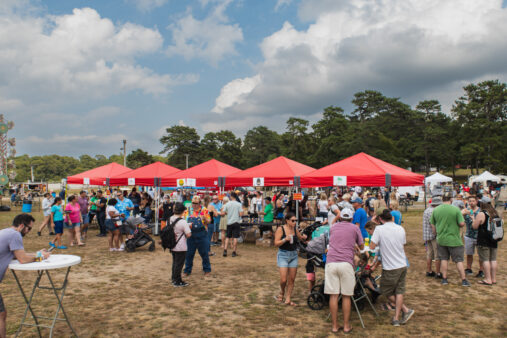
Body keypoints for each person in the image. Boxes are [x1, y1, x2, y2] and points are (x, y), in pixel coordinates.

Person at [0, 214, 51, 338]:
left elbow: (16, 255)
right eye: (29, 229)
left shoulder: (6, 232)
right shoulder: (15, 234)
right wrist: (41, 257)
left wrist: (38, 253)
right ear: (22, 225)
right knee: (1, 315)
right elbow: (22, 259)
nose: (28, 232)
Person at [370, 209, 414, 326]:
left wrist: (374, 223)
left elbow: (372, 246)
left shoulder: (379, 229)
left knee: (386, 291)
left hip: (390, 267)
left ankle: (405, 310)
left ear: (379, 219)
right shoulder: (400, 228)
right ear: (392, 218)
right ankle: (396, 318)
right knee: (399, 291)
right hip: (402, 264)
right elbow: (402, 243)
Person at [324, 208, 363, 333]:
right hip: (346, 263)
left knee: (333, 295)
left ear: (340, 218)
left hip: (331, 262)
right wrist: (355, 246)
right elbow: (361, 246)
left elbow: (334, 240)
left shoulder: (333, 227)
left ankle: (335, 326)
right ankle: (346, 325)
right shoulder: (355, 228)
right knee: (346, 296)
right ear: (351, 219)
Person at [430, 194, 470, 286]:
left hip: (441, 239)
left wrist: (436, 233)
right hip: (454, 239)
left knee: (444, 259)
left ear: (442, 199)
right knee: (459, 260)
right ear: (451, 199)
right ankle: (463, 280)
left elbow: (432, 224)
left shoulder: (436, 210)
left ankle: (444, 279)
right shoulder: (456, 209)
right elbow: (461, 224)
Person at [274, 212, 307, 306]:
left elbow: (300, 238)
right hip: (283, 255)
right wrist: (285, 239)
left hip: (293, 255)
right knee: (284, 279)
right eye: (293, 220)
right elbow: (276, 243)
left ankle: (288, 298)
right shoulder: (281, 229)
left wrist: (304, 238)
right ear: (287, 220)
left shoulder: (295, 229)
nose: (295, 222)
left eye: (296, 220)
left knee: (292, 279)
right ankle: (282, 292)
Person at [472, 196, 499, 285]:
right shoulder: (495, 213)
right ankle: (493, 278)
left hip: (484, 240)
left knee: (485, 260)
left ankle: (488, 279)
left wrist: (473, 219)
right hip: (494, 238)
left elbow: (475, 227)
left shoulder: (482, 213)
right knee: (493, 259)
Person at [183, 195, 211, 276]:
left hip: (202, 234)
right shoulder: (187, 210)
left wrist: (205, 218)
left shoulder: (204, 210)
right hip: (190, 234)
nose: (194, 205)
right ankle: (187, 270)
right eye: (193, 203)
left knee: (204, 253)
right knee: (189, 253)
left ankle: (207, 270)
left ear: (199, 203)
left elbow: (209, 221)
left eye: (196, 203)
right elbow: (183, 221)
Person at [170, 202, 192, 287]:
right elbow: (188, 234)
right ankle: (177, 281)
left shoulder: (170, 219)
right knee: (179, 264)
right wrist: (189, 227)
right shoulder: (182, 222)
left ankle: (174, 278)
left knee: (175, 263)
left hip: (172, 244)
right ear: (182, 211)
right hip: (181, 245)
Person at [462, 195, 483, 278]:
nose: (471, 202)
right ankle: (469, 268)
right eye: (470, 201)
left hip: (479, 236)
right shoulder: (466, 211)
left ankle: (481, 270)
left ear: (476, 202)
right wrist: (463, 213)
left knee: (481, 254)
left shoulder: (480, 211)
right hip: (469, 235)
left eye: (473, 201)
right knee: (469, 253)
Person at [422, 197, 442, 278]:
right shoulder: (433, 211)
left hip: (427, 235)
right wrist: (436, 233)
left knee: (429, 253)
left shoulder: (427, 210)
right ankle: (438, 272)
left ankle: (429, 270)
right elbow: (433, 224)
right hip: (433, 235)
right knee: (437, 255)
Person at [221, 191, 243, 257]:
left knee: (227, 237)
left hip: (229, 222)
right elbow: (241, 214)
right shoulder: (239, 204)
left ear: (231, 197)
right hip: (236, 222)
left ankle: (225, 250)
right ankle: (234, 252)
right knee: (235, 237)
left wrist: (228, 213)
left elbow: (223, 212)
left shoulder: (227, 204)